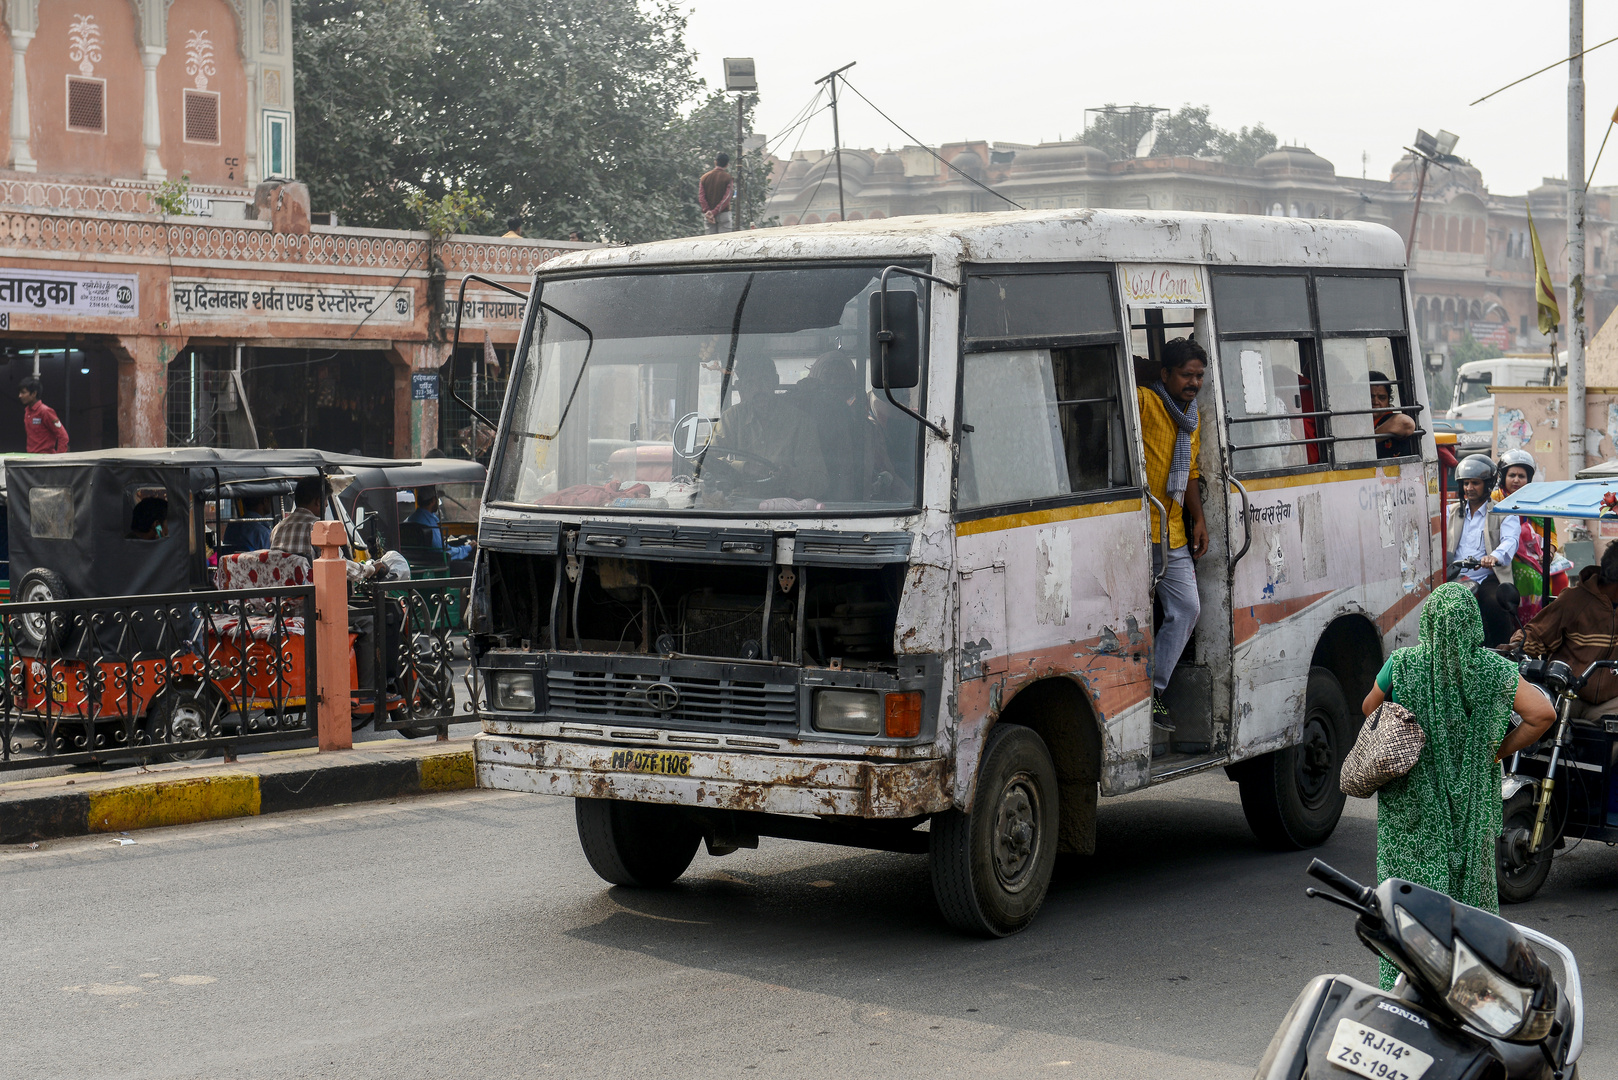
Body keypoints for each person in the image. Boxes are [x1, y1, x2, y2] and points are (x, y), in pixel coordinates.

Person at [1360, 582, 1556, 990]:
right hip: (1471, 809)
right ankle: (1467, 996)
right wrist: (1496, 751)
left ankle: (1404, 992)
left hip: (1410, 811)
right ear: (1473, 624)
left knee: (1407, 904)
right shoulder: (1494, 671)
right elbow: (1542, 714)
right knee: (1469, 909)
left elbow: (1368, 709)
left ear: (1428, 621)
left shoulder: (1404, 664)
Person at [1136, 337, 1209, 727]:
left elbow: (1192, 472)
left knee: (1186, 610)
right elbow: (1119, 369)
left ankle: (1153, 692)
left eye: (1199, 375)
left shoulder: (1191, 417)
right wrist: (1150, 370)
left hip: (1173, 533)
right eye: (1186, 374)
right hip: (1137, 532)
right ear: (1166, 374)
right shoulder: (1146, 402)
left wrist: (1198, 519)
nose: (1194, 382)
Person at [706, 353, 828, 500]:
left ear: (775, 381)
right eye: (750, 383)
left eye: (764, 380)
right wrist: (743, 467)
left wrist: (790, 474)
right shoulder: (731, 418)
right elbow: (704, 461)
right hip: (738, 505)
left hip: (785, 507)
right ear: (740, 388)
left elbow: (820, 481)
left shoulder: (800, 422)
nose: (758, 390)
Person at [1517, 541, 1618, 718]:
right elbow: (1534, 635)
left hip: (1611, 703)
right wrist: (1516, 647)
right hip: (1568, 696)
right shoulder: (1573, 601)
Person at [1447, 454, 1519, 647]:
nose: (1469, 488)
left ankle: (1501, 652)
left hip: (1489, 576)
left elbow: (1510, 540)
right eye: (1466, 483)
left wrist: (1494, 557)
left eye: (1475, 483)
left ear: (1488, 484)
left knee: (1495, 603)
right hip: (1455, 576)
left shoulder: (1503, 512)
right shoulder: (1451, 511)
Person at [1491, 448, 1567, 623]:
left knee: (1561, 578)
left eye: (1522, 476)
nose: (1516, 480)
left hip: (1536, 555)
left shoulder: (1537, 500)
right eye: (1512, 475)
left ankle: (1555, 621)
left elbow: (1550, 535)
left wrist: (1549, 551)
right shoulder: (1494, 498)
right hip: (1507, 554)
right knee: (1530, 577)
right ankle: (1528, 624)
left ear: (1529, 479)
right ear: (1503, 477)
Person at [405, 486, 474, 575]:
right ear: (433, 500)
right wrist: (467, 548)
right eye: (437, 499)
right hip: (434, 563)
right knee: (470, 566)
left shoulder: (410, 519)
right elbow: (443, 552)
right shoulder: (428, 524)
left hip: (415, 561)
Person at [270, 475, 326, 564]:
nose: (326, 504)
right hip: (311, 577)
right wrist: (357, 569)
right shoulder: (318, 527)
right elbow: (337, 563)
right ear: (318, 502)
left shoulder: (277, 528)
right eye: (326, 500)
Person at [1369, 370, 1416, 458]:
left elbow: (1407, 424)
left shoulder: (1389, 419)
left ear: (1388, 401)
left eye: (1382, 398)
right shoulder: (1357, 420)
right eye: (1371, 396)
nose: (1375, 402)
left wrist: (1369, 440)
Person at [18, 376, 68, 454]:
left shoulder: (45, 411)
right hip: (31, 458)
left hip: (45, 459)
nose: (20, 396)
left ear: (34, 393)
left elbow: (63, 436)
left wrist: (59, 459)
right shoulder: (27, 412)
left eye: (23, 392)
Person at [698, 153, 735, 234]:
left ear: (715, 162)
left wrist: (708, 211)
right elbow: (727, 197)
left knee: (711, 243)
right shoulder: (728, 178)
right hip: (723, 214)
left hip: (708, 216)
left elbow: (701, 197)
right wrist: (714, 212)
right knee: (725, 243)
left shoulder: (704, 177)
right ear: (727, 165)